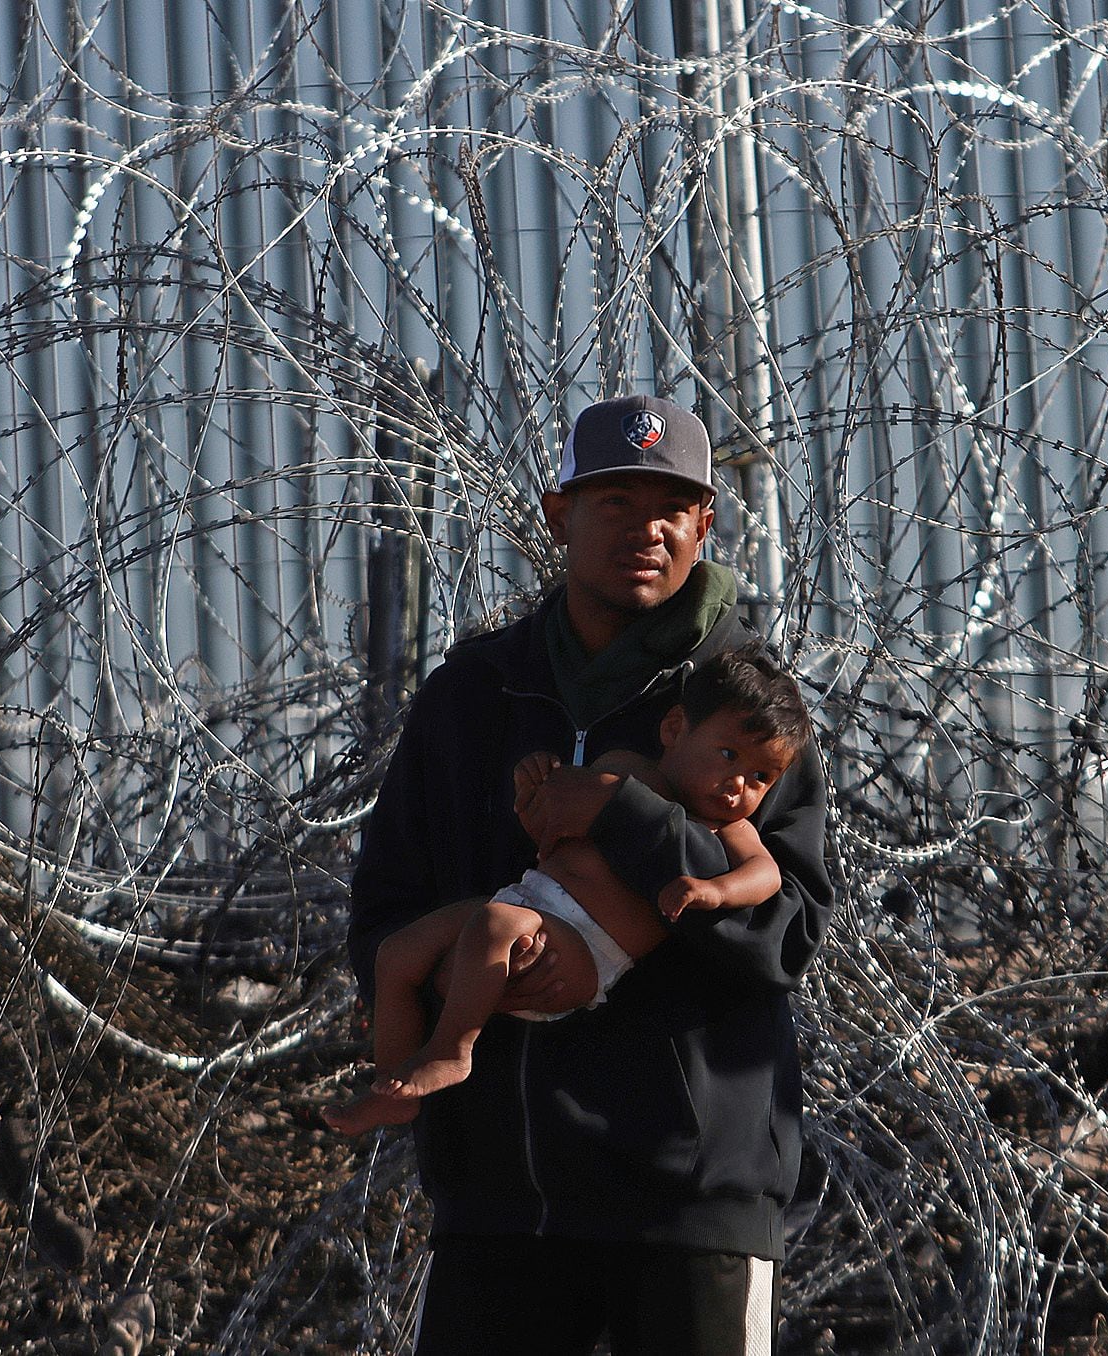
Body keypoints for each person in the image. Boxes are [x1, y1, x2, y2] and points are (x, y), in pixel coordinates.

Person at [346, 394, 834, 1356]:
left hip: (691, 1209)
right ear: (561, 516)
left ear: (704, 523)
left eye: (671, 506)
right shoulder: (474, 698)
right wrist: (495, 976)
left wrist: (628, 820)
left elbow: (784, 932)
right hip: (500, 1208)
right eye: (614, 502)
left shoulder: (743, 713)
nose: (645, 529)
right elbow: (386, 907)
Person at [326, 648, 812, 1135]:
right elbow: (550, 825)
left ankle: (453, 1050)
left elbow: (765, 876)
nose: (738, 784)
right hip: (531, 899)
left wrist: (714, 891)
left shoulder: (724, 827)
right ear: (674, 729)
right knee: (398, 953)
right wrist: (534, 780)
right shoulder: (622, 767)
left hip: (586, 950)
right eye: (728, 755)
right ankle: (391, 1087)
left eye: (761, 777)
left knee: (495, 925)